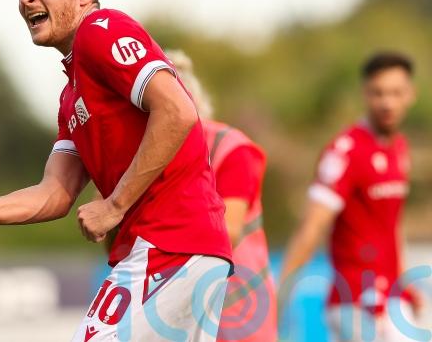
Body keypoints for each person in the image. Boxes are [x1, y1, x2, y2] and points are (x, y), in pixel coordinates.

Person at [0, 0, 233, 341]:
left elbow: (178, 111)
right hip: (181, 249)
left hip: (169, 243)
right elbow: (56, 193)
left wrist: (114, 205)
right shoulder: (70, 96)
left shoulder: (100, 29)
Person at [279, 52, 420, 341]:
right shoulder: (345, 151)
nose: (387, 103)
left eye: (396, 93)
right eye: (378, 93)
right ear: (365, 93)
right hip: (354, 302)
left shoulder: (399, 148)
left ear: (410, 94)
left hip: (393, 299)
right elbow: (311, 227)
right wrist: (279, 297)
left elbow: (391, 223)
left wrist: (405, 281)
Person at [167, 50, 277, 342]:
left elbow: (228, 233)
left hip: (237, 305)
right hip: (172, 307)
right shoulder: (141, 158)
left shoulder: (230, 147)